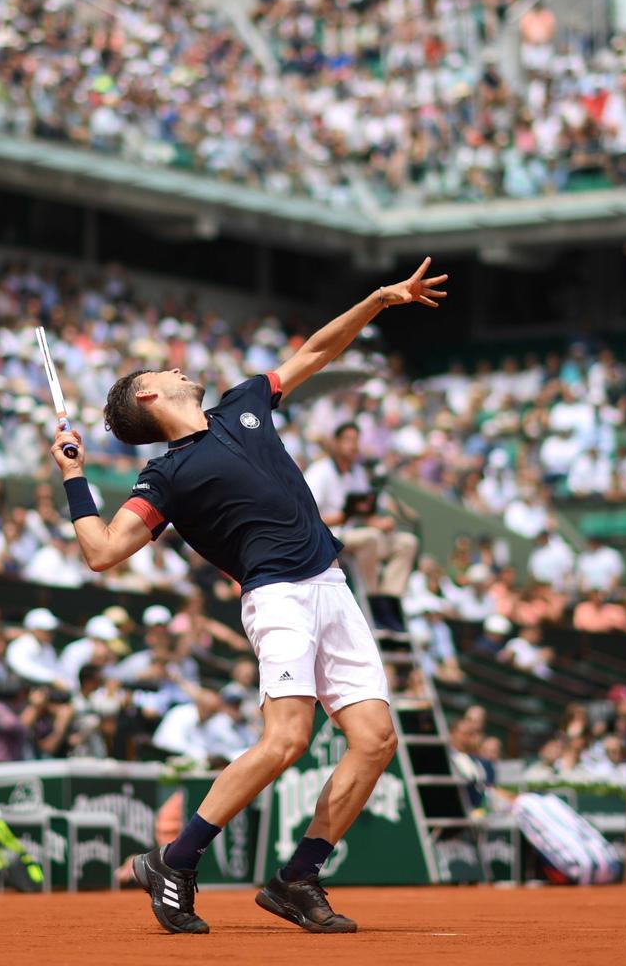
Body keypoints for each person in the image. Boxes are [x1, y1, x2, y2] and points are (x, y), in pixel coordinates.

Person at [50, 257, 445, 935]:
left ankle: (297, 879)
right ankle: (175, 861)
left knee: (375, 740)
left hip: (331, 585)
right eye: (164, 373)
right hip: (279, 598)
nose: (179, 370)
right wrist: (76, 476)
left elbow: (317, 350)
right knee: (287, 738)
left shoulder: (242, 403)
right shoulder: (165, 475)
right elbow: (102, 551)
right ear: (149, 398)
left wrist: (379, 301)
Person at [303, 422, 418, 598]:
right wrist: (341, 518)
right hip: (329, 537)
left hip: (356, 535)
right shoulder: (319, 471)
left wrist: (378, 522)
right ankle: (371, 597)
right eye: (348, 440)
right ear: (335, 443)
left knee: (407, 542)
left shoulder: (357, 473)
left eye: (356, 440)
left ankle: (389, 598)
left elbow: (362, 512)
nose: (353, 445)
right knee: (371, 538)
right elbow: (306, 517)